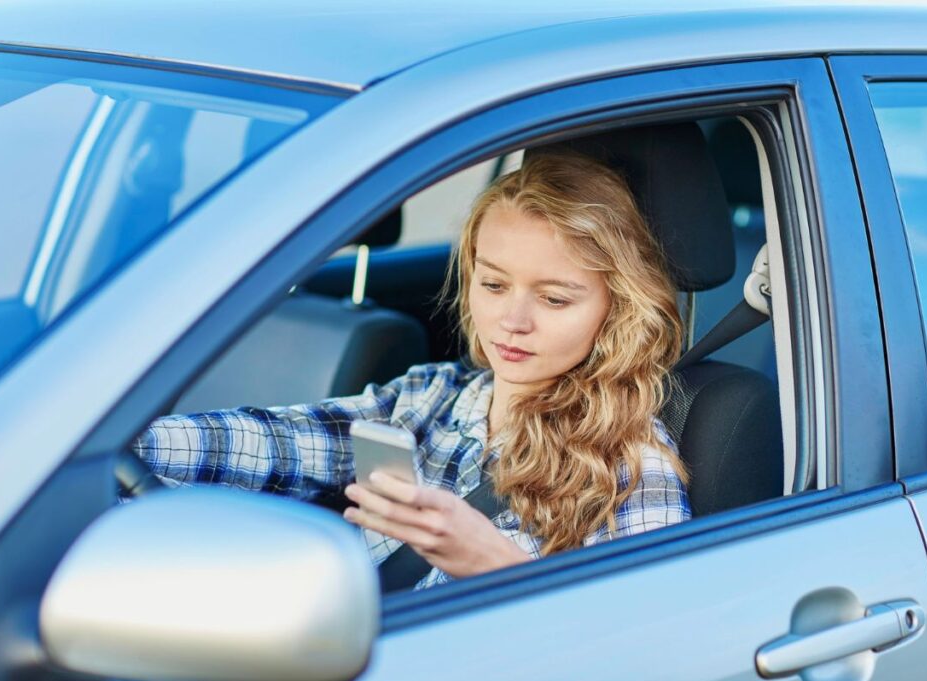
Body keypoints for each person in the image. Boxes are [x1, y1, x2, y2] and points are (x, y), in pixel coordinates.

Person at [132, 150, 691, 590]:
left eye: (554, 299)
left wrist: (494, 566)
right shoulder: (428, 397)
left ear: (616, 307)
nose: (512, 321)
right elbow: (278, 440)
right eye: (493, 285)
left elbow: (652, 646)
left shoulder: (631, 461)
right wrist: (110, 447)